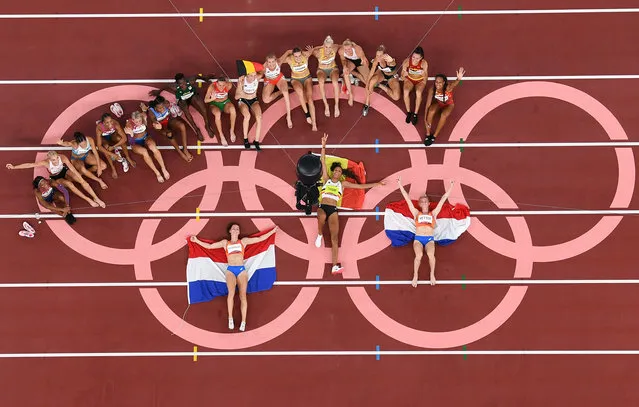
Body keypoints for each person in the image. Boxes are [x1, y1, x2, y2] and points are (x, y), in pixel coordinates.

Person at [315, 133, 385, 274]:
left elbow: (360, 187)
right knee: (321, 217)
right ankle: (320, 234)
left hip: (333, 209)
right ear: (333, 172)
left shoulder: (343, 183)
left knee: (335, 238)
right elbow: (322, 161)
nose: (337, 172)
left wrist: (376, 184)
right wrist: (323, 146)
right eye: (335, 170)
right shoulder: (326, 179)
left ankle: (335, 265)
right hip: (323, 207)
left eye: (339, 171)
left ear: (341, 174)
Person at [189, 224, 279, 332]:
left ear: (239, 232)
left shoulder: (243, 242)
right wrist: (196, 241)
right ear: (230, 231)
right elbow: (210, 247)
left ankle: (243, 321)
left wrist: (272, 232)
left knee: (243, 296)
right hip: (230, 270)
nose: (236, 230)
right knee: (231, 294)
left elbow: (259, 239)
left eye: (237, 229)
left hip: (241, 270)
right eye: (234, 228)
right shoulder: (225, 243)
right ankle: (230, 318)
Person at [396, 176, 455, 287]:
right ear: (419, 204)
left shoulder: (433, 214)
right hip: (418, 239)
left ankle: (432, 275)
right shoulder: (416, 213)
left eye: (425, 201)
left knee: (430, 254)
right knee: (418, 255)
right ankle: (415, 275)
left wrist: (451, 186)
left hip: (429, 239)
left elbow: (443, 199)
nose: (423, 202)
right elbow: (407, 199)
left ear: (428, 204)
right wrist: (400, 184)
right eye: (422, 201)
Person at [6, 151, 105, 208]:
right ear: (49, 160)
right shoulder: (45, 162)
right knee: (70, 185)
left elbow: (72, 168)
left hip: (64, 171)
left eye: (57, 158)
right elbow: (30, 164)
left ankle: (96, 198)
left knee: (82, 180)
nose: (56, 160)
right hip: (56, 177)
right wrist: (14, 167)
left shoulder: (62, 158)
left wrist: (79, 177)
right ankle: (89, 200)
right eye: (54, 160)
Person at [149, 73, 216, 140]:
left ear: (185, 80)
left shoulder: (191, 81)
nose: (183, 85)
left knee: (202, 107)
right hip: (183, 100)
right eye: (181, 84)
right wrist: (158, 92)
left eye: (184, 82)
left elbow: (197, 76)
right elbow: (165, 86)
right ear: (177, 84)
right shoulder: (174, 87)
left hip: (192, 97)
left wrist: (205, 78)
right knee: (186, 112)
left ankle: (207, 126)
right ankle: (197, 130)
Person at [123, 110, 171, 183]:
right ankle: (157, 173)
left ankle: (163, 168)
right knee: (145, 152)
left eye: (140, 121)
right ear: (133, 120)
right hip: (135, 143)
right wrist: (131, 135)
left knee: (153, 147)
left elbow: (149, 127)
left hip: (145, 138)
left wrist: (155, 125)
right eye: (136, 122)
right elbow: (131, 142)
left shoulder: (143, 116)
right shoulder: (129, 126)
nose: (139, 123)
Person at [424, 68, 465, 146]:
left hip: (449, 105)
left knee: (443, 115)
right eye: (436, 82)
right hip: (439, 103)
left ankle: (434, 135)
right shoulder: (432, 89)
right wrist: (425, 119)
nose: (437, 84)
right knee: (431, 111)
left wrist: (458, 79)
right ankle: (428, 134)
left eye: (440, 82)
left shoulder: (448, 88)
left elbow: (454, 84)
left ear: (444, 82)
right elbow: (427, 105)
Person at [144, 97, 193, 162]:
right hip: (160, 126)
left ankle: (185, 149)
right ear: (155, 107)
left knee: (182, 125)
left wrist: (175, 110)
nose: (162, 109)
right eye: (159, 108)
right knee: (169, 134)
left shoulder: (166, 104)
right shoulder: (151, 112)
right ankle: (180, 153)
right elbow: (155, 123)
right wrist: (158, 126)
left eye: (163, 107)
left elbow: (172, 111)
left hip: (169, 121)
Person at [281, 46, 317, 131]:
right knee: (300, 92)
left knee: (310, 99)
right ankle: (307, 115)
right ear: (293, 56)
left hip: (307, 78)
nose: (298, 58)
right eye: (295, 56)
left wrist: (311, 50)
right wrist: (287, 52)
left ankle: (314, 123)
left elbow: (313, 50)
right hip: (295, 80)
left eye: (299, 56)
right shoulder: (289, 59)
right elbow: (279, 61)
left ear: (302, 54)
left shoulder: (306, 56)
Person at [363, 45, 401, 116]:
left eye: (380, 55)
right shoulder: (376, 60)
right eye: (377, 55)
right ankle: (367, 103)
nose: (378, 57)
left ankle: (380, 85)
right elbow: (371, 73)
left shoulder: (389, 61)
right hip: (381, 73)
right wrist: (367, 85)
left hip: (391, 77)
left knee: (396, 97)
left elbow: (392, 62)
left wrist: (390, 60)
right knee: (371, 82)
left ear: (385, 55)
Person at [309, 36, 341, 118]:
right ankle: (326, 105)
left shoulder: (335, 48)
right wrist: (312, 50)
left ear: (332, 46)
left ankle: (336, 105)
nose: (328, 49)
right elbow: (309, 53)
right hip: (322, 70)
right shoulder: (318, 52)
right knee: (321, 82)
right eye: (326, 47)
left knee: (335, 82)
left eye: (330, 47)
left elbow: (343, 46)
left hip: (333, 69)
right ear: (323, 46)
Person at [261, 53, 293, 128]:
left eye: (273, 61)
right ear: (266, 62)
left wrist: (301, 53)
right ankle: (280, 91)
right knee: (266, 100)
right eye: (269, 62)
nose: (271, 64)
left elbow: (288, 52)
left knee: (286, 93)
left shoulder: (279, 62)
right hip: (269, 81)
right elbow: (258, 75)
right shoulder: (264, 67)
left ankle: (288, 116)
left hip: (279, 78)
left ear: (276, 61)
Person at [95, 113, 133, 178]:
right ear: (103, 123)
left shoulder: (115, 124)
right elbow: (99, 146)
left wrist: (113, 146)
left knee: (120, 140)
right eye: (107, 122)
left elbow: (124, 138)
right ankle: (113, 168)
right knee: (105, 147)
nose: (110, 124)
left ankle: (128, 157)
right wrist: (112, 154)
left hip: (113, 136)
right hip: (104, 139)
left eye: (111, 121)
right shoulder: (99, 128)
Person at [235, 68, 264, 150]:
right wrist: (244, 95)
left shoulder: (257, 78)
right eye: (251, 76)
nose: (253, 77)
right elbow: (236, 96)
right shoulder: (242, 81)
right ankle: (245, 138)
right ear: (246, 75)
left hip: (254, 101)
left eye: (254, 75)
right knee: (247, 116)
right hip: (243, 101)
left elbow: (262, 70)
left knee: (259, 117)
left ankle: (256, 141)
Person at [204, 77, 236, 145]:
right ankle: (221, 135)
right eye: (219, 85)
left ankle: (232, 131)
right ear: (216, 83)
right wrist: (212, 99)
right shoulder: (212, 87)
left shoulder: (229, 85)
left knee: (233, 110)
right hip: (214, 104)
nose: (221, 87)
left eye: (223, 85)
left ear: (226, 84)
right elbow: (206, 100)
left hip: (225, 103)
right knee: (218, 113)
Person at [401, 46, 428, 125]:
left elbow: (426, 78)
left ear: (421, 58)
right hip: (409, 79)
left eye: (417, 58)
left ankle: (415, 113)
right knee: (405, 91)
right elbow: (402, 77)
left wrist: (424, 75)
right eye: (413, 57)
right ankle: (409, 112)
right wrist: (404, 75)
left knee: (418, 92)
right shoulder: (406, 62)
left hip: (420, 81)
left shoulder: (424, 63)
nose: (415, 60)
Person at [338, 39, 370, 107]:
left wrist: (364, 64)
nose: (347, 51)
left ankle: (354, 73)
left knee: (368, 82)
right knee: (346, 72)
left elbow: (363, 58)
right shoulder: (341, 51)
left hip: (359, 61)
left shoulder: (357, 49)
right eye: (345, 49)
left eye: (349, 49)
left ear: (352, 46)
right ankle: (350, 94)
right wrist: (344, 66)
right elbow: (343, 60)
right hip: (351, 61)